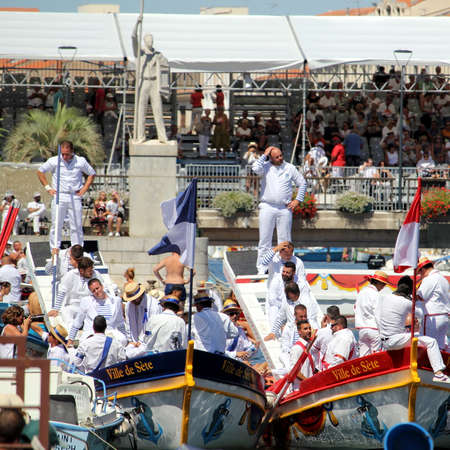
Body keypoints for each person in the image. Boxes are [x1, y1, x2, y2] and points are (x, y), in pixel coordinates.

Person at [376, 276, 449, 383]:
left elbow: (377, 317)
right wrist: (414, 298)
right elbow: (421, 313)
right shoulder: (406, 303)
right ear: (410, 291)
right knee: (432, 342)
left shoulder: (383, 297)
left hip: (383, 341)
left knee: (413, 336)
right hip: (395, 341)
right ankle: (438, 374)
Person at [251, 147, 307, 274]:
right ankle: (262, 268)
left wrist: (298, 200)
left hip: (284, 208)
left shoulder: (290, 167)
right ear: (270, 158)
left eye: (281, 155)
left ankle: (284, 266)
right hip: (267, 206)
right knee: (264, 239)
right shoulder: (264, 166)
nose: (280, 158)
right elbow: (255, 168)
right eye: (277, 157)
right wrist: (264, 154)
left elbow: (302, 183)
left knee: (285, 239)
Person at [37, 140, 96, 250]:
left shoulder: (80, 161)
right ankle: (54, 249)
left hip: (75, 195)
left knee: (76, 225)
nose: (64, 156)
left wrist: (84, 189)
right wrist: (48, 188)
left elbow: (91, 174)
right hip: (59, 195)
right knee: (56, 224)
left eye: (67, 154)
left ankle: (77, 249)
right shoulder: (54, 160)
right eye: (62, 154)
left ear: (72, 151)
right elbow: (40, 171)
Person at [132, 16, 169, 143]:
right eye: (148, 39)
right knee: (141, 110)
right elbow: (133, 37)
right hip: (144, 82)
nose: (150, 41)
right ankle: (141, 136)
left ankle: (162, 137)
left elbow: (166, 67)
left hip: (154, 82)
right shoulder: (139, 53)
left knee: (158, 110)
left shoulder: (158, 55)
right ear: (144, 40)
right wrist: (137, 23)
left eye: (152, 39)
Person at [67, 278, 126, 345]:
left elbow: (120, 322)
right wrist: (70, 339)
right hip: (92, 333)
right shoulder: (86, 301)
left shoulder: (116, 301)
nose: (96, 291)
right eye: (93, 291)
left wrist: (126, 338)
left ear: (102, 286)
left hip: (110, 332)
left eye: (97, 288)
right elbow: (78, 321)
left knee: (122, 340)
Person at [48, 256, 104, 324]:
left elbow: (104, 289)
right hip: (74, 306)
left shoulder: (96, 274)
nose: (91, 272)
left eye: (92, 269)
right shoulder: (71, 274)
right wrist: (56, 309)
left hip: (90, 306)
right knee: (66, 312)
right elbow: (62, 291)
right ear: (81, 271)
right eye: (89, 271)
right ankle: (72, 332)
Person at [416, 257, 449, 350]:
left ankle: (430, 365)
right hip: (444, 316)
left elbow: (421, 296)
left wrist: (413, 293)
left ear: (423, 269)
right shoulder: (443, 279)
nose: (420, 275)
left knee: (428, 346)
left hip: (432, 317)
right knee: (440, 346)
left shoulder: (429, 279)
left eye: (419, 272)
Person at [355, 271, 389, 356]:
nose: (383, 287)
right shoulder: (376, 294)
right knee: (375, 355)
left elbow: (355, 308)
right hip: (374, 329)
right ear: (378, 283)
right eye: (383, 284)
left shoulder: (361, 292)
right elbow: (378, 313)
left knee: (363, 356)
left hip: (362, 328)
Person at [266, 261, 296, 327]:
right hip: (276, 309)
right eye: (283, 271)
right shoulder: (276, 281)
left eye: (287, 272)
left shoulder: (296, 282)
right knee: (274, 310)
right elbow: (272, 301)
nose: (284, 274)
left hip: (290, 311)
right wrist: (285, 308)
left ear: (293, 273)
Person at [311, 305, 340, 371]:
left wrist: (322, 329)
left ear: (327, 317)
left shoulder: (322, 332)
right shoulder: (344, 330)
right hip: (340, 366)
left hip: (325, 368)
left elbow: (312, 350)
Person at [290, 320, 316, 389]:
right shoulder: (297, 348)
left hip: (310, 387)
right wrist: (308, 382)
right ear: (299, 332)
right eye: (305, 329)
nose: (309, 331)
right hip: (300, 389)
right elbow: (294, 371)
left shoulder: (309, 347)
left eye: (309, 328)